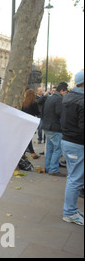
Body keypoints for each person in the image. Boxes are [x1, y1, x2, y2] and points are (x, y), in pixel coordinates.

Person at [60, 71, 84, 226]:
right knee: (75, 179)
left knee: (73, 178)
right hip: (76, 143)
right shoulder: (82, 100)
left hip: (68, 141)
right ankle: (69, 212)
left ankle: (71, 210)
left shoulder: (68, 96)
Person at [41, 81, 68, 176]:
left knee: (50, 149)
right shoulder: (59, 99)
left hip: (47, 127)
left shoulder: (50, 98)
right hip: (55, 127)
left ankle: (48, 167)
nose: (65, 94)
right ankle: (53, 169)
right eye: (65, 92)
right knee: (58, 149)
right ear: (62, 91)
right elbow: (59, 113)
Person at [21, 89, 41, 159]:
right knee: (28, 138)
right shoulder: (34, 102)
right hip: (31, 122)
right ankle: (32, 153)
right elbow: (37, 112)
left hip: (24, 122)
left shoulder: (23, 103)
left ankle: (23, 153)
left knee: (26, 138)